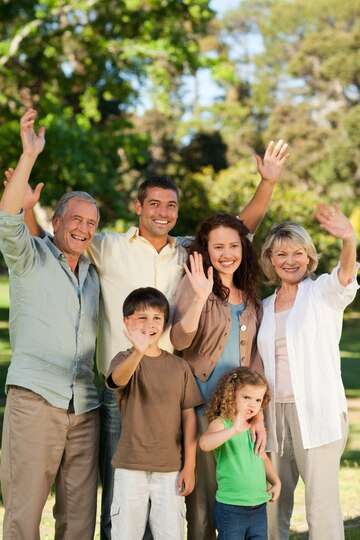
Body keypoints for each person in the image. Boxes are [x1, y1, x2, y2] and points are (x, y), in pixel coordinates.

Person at [20, 137, 288, 539]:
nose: (163, 213)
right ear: (138, 207)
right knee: (120, 493)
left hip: (172, 388)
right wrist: (26, 207)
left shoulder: (187, 253)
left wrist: (266, 184)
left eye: (171, 206)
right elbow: (55, 239)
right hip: (122, 388)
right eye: (155, 204)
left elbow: (235, 232)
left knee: (169, 493)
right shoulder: (108, 246)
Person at [0, 109, 101, 540]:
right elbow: (7, 221)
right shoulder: (30, 259)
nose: (82, 228)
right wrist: (28, 157)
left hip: (85, 407)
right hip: (36, 400)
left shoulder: (95, 274)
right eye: (75, 219)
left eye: (91, 223)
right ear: (55, 221)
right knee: (24, 515)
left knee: (78, 522)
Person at [257, 206, 359, 540]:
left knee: (321, 508)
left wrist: (348, 239)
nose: (290, 260)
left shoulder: (322, 294)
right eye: (281, 253)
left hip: (317, 413)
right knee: (271, 504)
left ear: (309, 257)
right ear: (270, 259)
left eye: (298, 252)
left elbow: (346, 277)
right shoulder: (265, 307)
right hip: (274, 415)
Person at [170, 213, 266, 540]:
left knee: (235, 505)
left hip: (240, 419)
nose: (227, 253)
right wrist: (199, 296)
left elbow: (253, 365)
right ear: (206, 250)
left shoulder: (251, 296)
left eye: (234, 246)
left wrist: (259, 418)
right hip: (201, 412)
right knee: (201, 511)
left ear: (244, 249)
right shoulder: (195, 285)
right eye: (218, 246)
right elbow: (179, 340)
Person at [106, 287, 203, 539]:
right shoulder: (124, 360)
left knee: (171, 533)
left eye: (157, 318)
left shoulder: (179, 367)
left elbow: (189, 416)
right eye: (142, 317)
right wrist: (138, 350)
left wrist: (189, 465)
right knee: (125, 533)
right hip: (131, 466)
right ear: (126, 322)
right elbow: (118, 379)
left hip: (170, 468)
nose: (150, 324)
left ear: (165, 323)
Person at [199, 367, 281, 540]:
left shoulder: (254, 427)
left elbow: (262, 456)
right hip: (231, 508)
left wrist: (276, 481)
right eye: (246, 397)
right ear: (231, 394)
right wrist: (234, 430)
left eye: (258, 400)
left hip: (258, 506)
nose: (253, 404)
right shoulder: (222, 423)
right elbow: (204, 444)